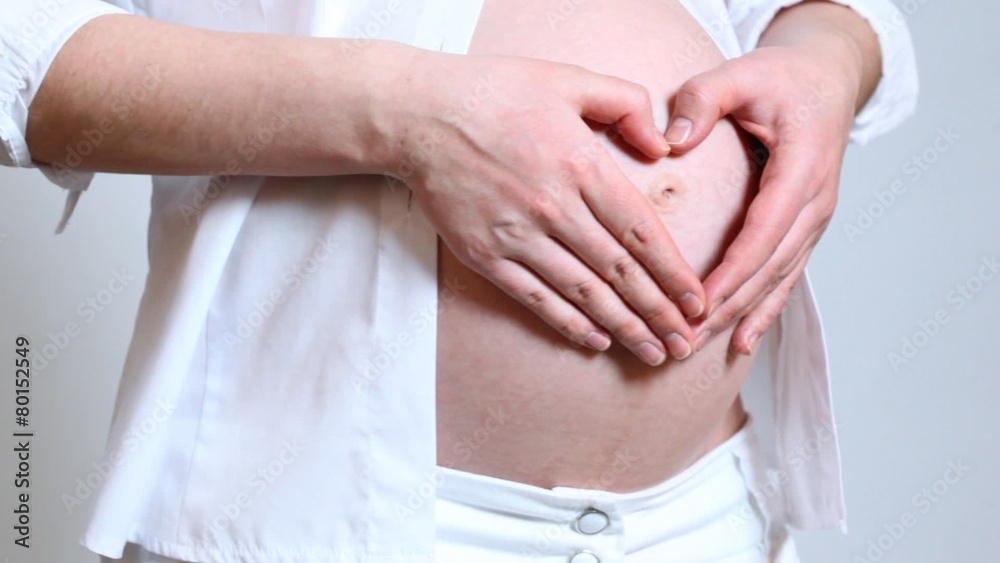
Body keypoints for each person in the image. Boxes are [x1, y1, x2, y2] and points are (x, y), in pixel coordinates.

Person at [0, 0, 917, 561]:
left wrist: (825, 59)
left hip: (707, 517)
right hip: (334, 525)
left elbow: (820, 10)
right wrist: (406, 115)